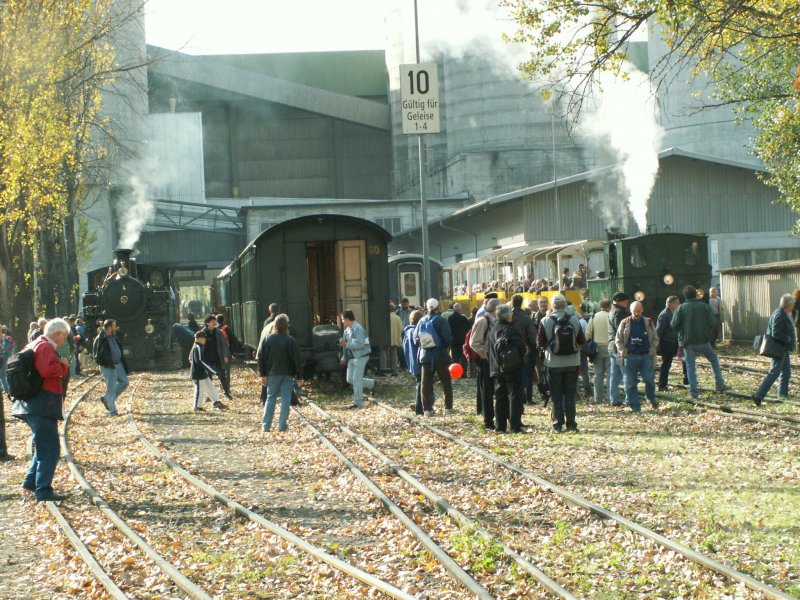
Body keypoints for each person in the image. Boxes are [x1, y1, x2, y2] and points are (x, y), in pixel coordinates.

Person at [11, 318, 70, 501]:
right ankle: (43, 490)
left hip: (33, 404)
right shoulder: (45, 346)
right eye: (64, 337)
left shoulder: (34, 343)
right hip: (42, 404)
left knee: (43, 445)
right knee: (50, 448)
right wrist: (63, 365)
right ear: (57, 333)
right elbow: (47, 370)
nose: (64, 341)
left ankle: (30, 482)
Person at [671, 285, 731, 399]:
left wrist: (683, 330)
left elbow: (673, 324)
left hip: (688, 343)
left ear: (684, 296)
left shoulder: (681, 308)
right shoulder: (704, 306)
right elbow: (713, 322)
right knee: (713, 359)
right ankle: (719, 383)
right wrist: (705, 331)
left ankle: (694, 393)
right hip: (703, 341)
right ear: (696, 294)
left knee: (690, 367)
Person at [537, 294, 585, 433]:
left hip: (553, 363)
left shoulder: (545, 320)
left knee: (556, 394)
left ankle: (557, 424)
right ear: (565, 305)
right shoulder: (575, 320)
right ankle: (571, 424)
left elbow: (540, 343)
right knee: (570, 395)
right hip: (572, 362)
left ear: (552, 306)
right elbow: (582, 341)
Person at [258, 314, 303, 431]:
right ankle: (282, 425)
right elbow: (296, 359)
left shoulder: (267, 339)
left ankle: (266, 425)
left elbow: (261, 357)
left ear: (274, 325)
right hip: (288, 374)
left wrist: (263, 374)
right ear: (286, 326)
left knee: (270, 398)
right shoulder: (291, 340)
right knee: (286, 398)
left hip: (272, 373)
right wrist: (299, 375)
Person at [488, 304, 527, 433]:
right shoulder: (512, 329)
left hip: (497, 367)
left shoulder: (493, 330)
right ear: (508, 315)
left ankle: (500, 426)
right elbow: (521, 348)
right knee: (514, 396)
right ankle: (515, 426)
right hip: (513, 367)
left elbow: (490, 349)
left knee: (500, 397)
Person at [615, 301, 659, 412]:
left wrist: (652, 350)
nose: (637, 313)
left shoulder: (648, 322)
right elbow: (618, 340)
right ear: (631, 311)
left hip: (645, 356)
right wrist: (624, 351)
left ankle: (650, 398)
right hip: (629, 357)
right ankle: (635, 406)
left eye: (638, 311)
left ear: (642, 310)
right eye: (634, 311)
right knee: (630, 383)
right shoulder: (625, 322)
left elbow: (655, 338)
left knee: (649, 380)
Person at [752, 293, 796, 406]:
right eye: (793, 304)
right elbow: (776, 333)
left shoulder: (783, 313)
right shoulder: (779, 315)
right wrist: (788, 338)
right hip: (778, 349)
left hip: (783, 349)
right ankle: (758, 395)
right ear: (788, 305)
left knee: (786, 373)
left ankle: (782, 396)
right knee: (774, 373)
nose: (794, 306)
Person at [415, 298, 454, 417]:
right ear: (438, 307)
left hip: (425, 356)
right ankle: (448, 407)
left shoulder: (421, 321)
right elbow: (447, 339)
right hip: (441, 356)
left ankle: (426, 409)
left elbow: (415, 339)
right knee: (446, 382)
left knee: (425, 383)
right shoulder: (441, 321)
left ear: (427, 308)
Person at [469, 298, 499, 429]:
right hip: (486, 361)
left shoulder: (496, 322)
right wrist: (485, 355)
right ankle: (488, 420)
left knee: (496, 390)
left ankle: (498, 418)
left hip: (495, 360)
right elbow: (474, 342)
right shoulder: (483, 321)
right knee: (487, 391)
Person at [92, 319, 130, 416]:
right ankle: (112, 412)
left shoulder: (114, 337)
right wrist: (106, 364)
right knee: (111, 389)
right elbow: (96, 355)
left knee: (125, 382)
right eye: (114, 326)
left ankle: (106, 399)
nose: (115, 328)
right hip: (109, 366)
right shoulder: (100, 338)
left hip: (118, 364)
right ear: (109, 327)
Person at [339, 310, 375, 409]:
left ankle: (358, 403)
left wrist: (346, 344)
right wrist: (343, 356)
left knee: (356, 380)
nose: (342, 321)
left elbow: (360, 344)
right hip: (352, 357)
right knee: (350, 379)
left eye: (342, 319)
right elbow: (345, 345)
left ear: (347, 319)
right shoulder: (347, 330)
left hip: (361, 356)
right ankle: (372, 384)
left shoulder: (358, 329)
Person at [510, 294, 537, 406]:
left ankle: (517, 396)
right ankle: (528, 398)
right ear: (521, 303)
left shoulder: (508, 317)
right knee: (528, 375)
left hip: (510, 350)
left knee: (514, 375)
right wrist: (531, 347)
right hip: (526, 350)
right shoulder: (526, 318)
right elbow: (533, 336)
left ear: (511, 302)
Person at [607, 292, 630, 406]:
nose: (627, 303)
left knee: (614, 375)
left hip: (611, 346)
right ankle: (629, 399)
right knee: (626, 373)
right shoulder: (620, 312)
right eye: (626, 301)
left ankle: (614, 399)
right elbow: (622, 331)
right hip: (619, 347)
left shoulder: (611, 311)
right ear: (620, 301)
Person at [201, 315, 231, 402]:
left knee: (222, 376)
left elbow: (224, 344)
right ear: (207, 323)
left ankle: (227, 393)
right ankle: (209, 396)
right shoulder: (202, 333)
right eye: (212, 321)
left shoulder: (218, 332)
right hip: (207, 360)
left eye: (215, 321)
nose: (215, 323)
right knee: (208, 378)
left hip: (218, 359)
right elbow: (197, 345)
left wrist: (225, 355)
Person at [586, 299, 611, 403]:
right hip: (609, 347)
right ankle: (611, 397)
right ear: (610, 306)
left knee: (598, 375)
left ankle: (598, 398)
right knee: (610, 374)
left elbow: (587, 334)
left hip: (597, 349)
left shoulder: (594, 317)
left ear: (601, 306)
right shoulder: (611, 316)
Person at [189, 330, 221, 412]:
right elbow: (200, 361)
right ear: (199, 338)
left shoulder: (197, 346)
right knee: (200, 390)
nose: (205, 341)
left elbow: (190, 359)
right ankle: (197, 407)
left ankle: (216, 401)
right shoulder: (198, 347)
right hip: (198, 374)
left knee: (210, 386)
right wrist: (213, 370)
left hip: (202, 373)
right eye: (204, 339)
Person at [402, 309, 426, 415]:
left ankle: (421, 405)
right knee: (421, 384)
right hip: (418, 361)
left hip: (411, 362)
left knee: (421, 383)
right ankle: (419, 407)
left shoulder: (406, 331)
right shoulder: (415, 331)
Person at [656, 296, 681, 391]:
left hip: (672, 341)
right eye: (677, 303)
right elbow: (659, 331)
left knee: (668, 363)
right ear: (671, 304)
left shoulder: (671, 313)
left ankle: (686, 380)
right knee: (666, 364)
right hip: (666, 342)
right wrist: (657, 344)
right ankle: (662, 385)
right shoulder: (665, 314)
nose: (678, 305)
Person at [531, 296, 550, 403]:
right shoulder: (533, 317)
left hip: (550, 349)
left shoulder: (551, 316)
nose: (543, 304)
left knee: (550, 370)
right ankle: (542, 392)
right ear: (538, 304)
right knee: (539, 371)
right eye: (541, 302)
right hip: (538, 349)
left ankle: (550, 389)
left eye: (545, 302)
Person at [447, 302, 470, 372]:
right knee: (463, 358)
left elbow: (448, 329)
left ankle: (455, 372)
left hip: (453, 341)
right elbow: (468, 329)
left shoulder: (450, 318)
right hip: (462, 340)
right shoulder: (463, 318)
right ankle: (463, 373)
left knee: (455, 357)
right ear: (460, 310)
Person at [0, 325, 15, 394]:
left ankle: (7, 390)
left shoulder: (6, 337)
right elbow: (13, 345)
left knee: (2, 374)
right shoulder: (6, 337)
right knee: (4, 373)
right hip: (5, 356)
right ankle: (7, 388)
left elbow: (13, 345)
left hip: (3, 357)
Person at [389, 304, 403, 373]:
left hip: (386, 340)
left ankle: (386, 369)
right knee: (394, 354)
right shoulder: (398, 318)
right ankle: (395, 370)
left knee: (384, 354)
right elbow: (401, 329)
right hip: (395, 339)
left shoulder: (386, 317)